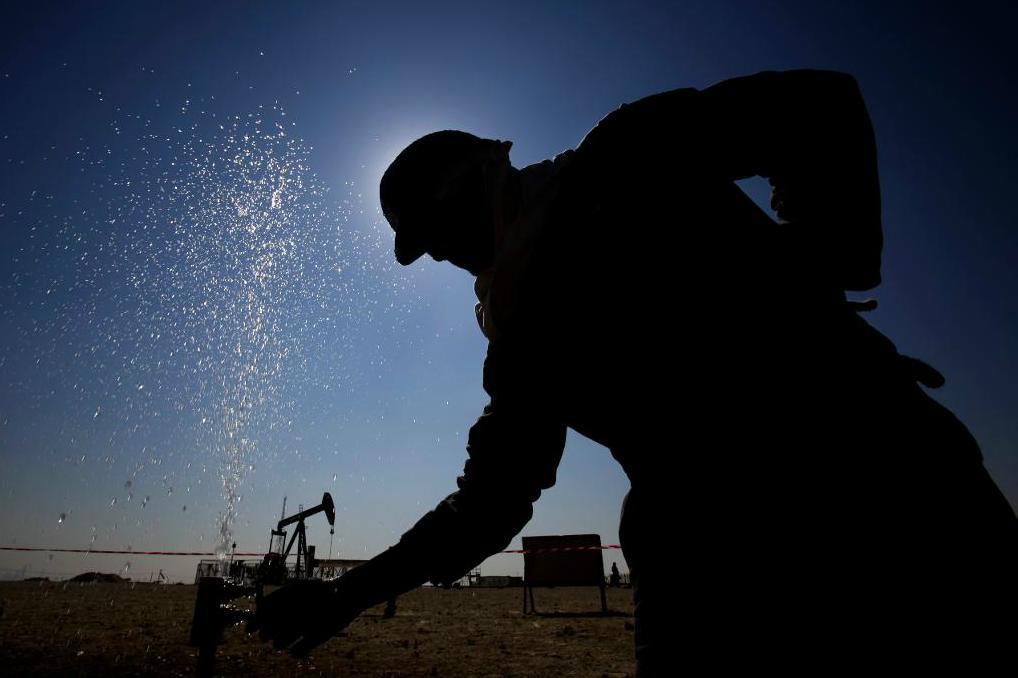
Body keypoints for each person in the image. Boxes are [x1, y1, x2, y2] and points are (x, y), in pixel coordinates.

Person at [253, 70, 1018, 672]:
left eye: (440, 224)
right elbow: (488, 507)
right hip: (711, 563)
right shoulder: (520, 344)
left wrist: (825, 272)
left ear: (485, 171)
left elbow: (821, 106)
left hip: (891, 482)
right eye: (426, 245)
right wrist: (348, 594)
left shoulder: (625, 154)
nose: (445, 255)